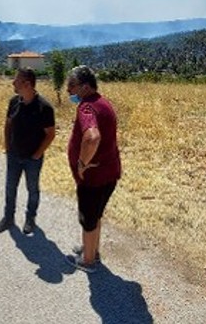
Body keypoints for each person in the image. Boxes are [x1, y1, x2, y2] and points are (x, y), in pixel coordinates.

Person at [65, 65, 121, 273]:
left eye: (72, 85)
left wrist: (82, 163)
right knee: (95, 215)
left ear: (85, 87)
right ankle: (92, 249)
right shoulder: (103, 102)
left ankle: (88, 261)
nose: (68, 90)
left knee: (87, 218)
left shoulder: (86, 107)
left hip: (93, 178)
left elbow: (92, 137)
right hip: (109, 173)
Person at [0, 68, 56, 235]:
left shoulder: (44, 107)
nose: (13, 83)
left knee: (32, 189)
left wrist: (37, 154)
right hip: (14, 155)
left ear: (27, 84)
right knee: (10, 188)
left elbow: (50, 135)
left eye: (16, 80)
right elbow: (8, 125)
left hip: (32, 159)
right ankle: (8, 218)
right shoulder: (14, 102)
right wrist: (8, 147)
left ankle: (30, 219)